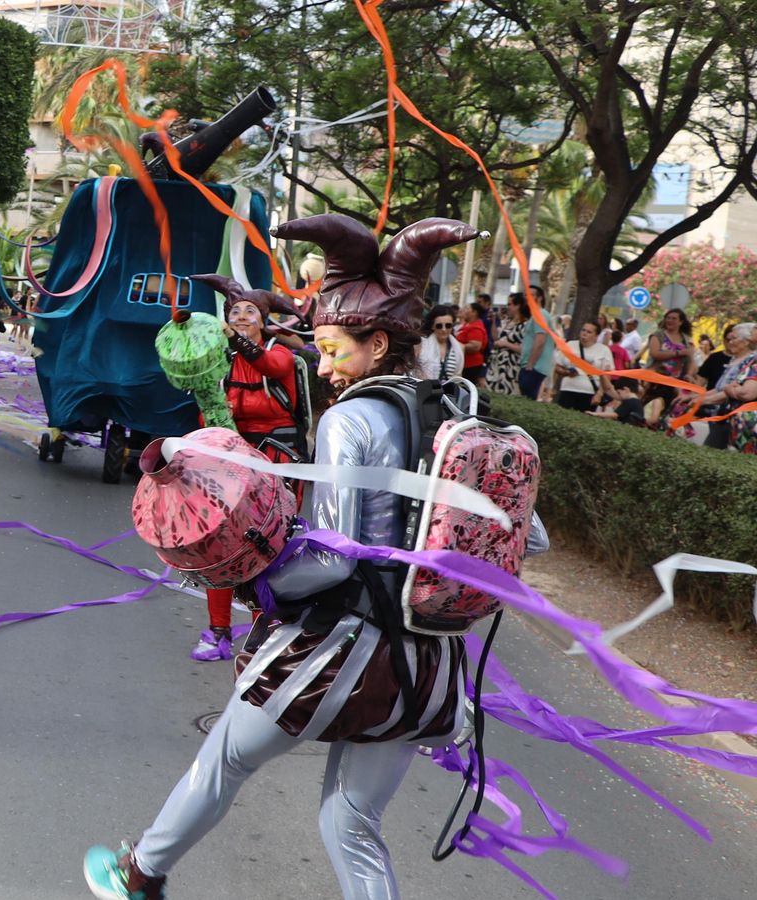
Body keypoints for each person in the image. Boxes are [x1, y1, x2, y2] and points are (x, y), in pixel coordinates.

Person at [83, 213, 546, 900]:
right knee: (353, 821)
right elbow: (527, 538)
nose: (323, 367)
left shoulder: (350, 420)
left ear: (377, 340)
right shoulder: (462, 412)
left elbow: (331, 558)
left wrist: (255, 585)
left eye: (332, 350)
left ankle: (139, 876)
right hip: (429, 665)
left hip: (335, 656)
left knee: (223, 763)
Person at [189, 274, 303, 663]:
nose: (239, 316)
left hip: (275, 462)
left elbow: (269, 365)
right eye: (233, 311)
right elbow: (207, 410)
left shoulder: (280, 354)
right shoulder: (219, 362)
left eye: (248, 311)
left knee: (267, 548)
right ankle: (217, 630)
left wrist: (232, 337)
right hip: (230, 462)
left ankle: (263, 633)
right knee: (215, 547)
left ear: (264, 321)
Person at [694, 323, 756, 452]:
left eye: (734, 338)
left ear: (746, 341)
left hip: (740, 421)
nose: (730, 342)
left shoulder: (751, 360)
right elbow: (722, 388)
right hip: (731, 419)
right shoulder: (743, 360)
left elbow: (746, 393)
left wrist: (729, 389)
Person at [553, 320, 614, 412]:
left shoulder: (603, 350)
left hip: (589, 393)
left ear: (596, 335)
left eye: (589, 332)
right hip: (568, 389)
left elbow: (606, 375)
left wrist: (600, 394)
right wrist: (566, 372)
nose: (584, 333)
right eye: (583, 330)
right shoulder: (570, 345)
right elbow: (557, 366)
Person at [642, 308, 693, 409]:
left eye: (674, 318)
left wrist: (689, 375)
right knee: (650, 406)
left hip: (675, 381)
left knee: (669, 408)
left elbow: (691, 360)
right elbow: (655, 353)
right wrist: (678, 353)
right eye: (668, 318)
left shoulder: (686, 339)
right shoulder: (658, 335)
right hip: (655, 379)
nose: (670, 320)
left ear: (681, 322)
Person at [517, 286, 555, 400]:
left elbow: (540, 340)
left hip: (535, 367)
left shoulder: (540, 314)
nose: (526, 297)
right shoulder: (536, 315)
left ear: (539, 298)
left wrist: (530, 364)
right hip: (532, 366)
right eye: (525, 294)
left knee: (528, 400)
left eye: (530, 295)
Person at [485, 292, 526, 395]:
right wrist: (494, 321)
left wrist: (505, 344)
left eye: (510, 304)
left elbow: (524, 349)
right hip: (496, 366)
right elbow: (496, 338)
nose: (508, 307)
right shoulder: (508, 322)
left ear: (518, 306)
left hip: (510, 368)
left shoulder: (525, 325)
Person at [416, 303, 464, 380]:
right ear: (432, 326)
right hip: (423, 389)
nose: (444, 329)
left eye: (448, 325)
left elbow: (458, 376)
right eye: (439, 326)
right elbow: (412, 368)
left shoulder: (459, 348)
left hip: (448, 391)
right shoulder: (421, 344)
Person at [455, 301, 488, 386]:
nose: (464, 311)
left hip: (471, 365)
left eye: (467, 308)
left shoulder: (476, 327)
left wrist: (457, 347)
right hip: (465, 363)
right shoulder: (468, 324)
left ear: (474, 312)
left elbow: (475, 346)